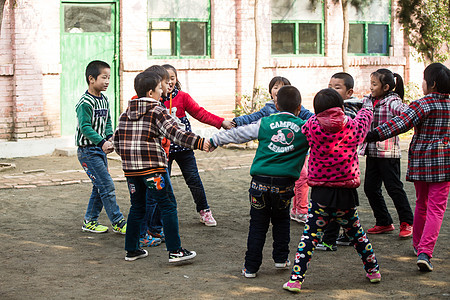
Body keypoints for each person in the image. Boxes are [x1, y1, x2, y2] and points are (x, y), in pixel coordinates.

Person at [283, 88, 380, 293]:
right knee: (357, 235)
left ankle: (295, 280)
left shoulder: (311, 127)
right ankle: (373, 271)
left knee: (309, 237)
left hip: (321, 195)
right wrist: (367, 106)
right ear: (342, 107)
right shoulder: (353, 126)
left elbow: (303, 124)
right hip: (346, 193)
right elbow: (365, 118)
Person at [209, 85, 310, 278]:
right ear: (299, 108)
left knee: (257, 225)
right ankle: (281, 259)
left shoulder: (265, 122)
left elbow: (239, 134)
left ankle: (250, 267)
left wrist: (215, 140)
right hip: (285, 185)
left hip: (259, 184)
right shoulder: (305, 128)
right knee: (281, 221)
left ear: (276, 104)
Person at [113, 70, 209, 262]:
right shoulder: (157, 111)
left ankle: (132, 249)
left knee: (137, 207)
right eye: (159, 88)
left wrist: (130, 158)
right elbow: (176, 134)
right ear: (150, 93)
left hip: (131, 172)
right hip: (154, 170)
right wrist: (199, 142)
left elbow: (117, 141)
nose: (162, 91)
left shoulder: (125, 114)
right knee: (167, 205)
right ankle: (175, 250)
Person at [365, 63, 450, 272]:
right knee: (436, 209)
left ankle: (418, 245)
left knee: (422, 203)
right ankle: (425, 252)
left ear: (432, 84)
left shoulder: (422, 104)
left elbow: (400, 124)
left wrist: (372, 134)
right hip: (445, 163)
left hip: (422, 162)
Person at [159, 64, 233, 227]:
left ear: (176, 79)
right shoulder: (154, 99)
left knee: (193, 178)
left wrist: (221, 122)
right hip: (163, 149)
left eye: (172, 78)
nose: (170, 82)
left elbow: (200, 113)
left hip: (184, 147)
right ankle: (161, 217)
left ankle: (204, 211)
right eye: (166, 79)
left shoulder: (183, 97)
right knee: (163, 182)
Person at [233, 76, 314, 224]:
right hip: (275, 154)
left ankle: (300, 209)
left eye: (282, 87)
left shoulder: (295, 108)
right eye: (275, 87)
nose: (278, 90)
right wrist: (236, 121)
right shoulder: (268, 108)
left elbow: (311, 118)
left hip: (294, 153)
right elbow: (253, 117)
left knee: (302, 178)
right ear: (271, 91)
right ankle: (297, 210)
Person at [358, 69, 414, 238]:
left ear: (386, 86)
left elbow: (406, 113)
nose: (371, 87)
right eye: (371, 83)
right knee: (370, 188)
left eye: (375, 84)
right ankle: (383, 221)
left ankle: (407, 222)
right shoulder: (368, 100)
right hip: (371, 152)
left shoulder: (392, 101)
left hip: (388, 153)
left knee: (394, 188)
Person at [76, 60, 127, 234]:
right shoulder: (85, 102)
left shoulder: (104, 99)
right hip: (87, 152)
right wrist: (101, 142)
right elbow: (85, 127)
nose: (107, 81)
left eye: (109, 78)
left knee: (100, 185)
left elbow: (107, 122)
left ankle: (89, 221)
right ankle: (118, 222)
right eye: (103, 77)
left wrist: (110, 137)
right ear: (91, 79)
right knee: (107, 185)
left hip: (99, 151)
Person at [316, 72, 361, 251]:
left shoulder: (346, 113)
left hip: (340, 169)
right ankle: (348, 236)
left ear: (349, 93)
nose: (331, 91)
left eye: (337, 88)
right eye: (329, 87)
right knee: (344, 208)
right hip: (343, 170)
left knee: (336, 207)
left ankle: (329, 240)